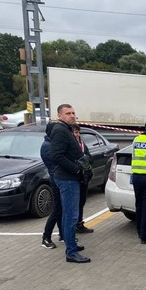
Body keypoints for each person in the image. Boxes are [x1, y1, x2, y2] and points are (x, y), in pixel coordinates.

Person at [50, 104, 90, 263]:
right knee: (71, 216)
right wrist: (76, 169)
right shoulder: (60, 131)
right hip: (67, 179)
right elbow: (56, 156)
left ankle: (71, 244)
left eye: (73, 112)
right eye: (68, 113)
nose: (72, 115)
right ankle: (71, 252)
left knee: (70, 215)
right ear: (59, 115)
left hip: (69, 178)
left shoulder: (66, 129)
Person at [41, 122, 62, 249]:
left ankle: (63, 234)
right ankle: (46, 237)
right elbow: (56, 162)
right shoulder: (48, 146)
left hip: (57, 178)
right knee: (56, 209)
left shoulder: (51, 143)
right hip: (56, 179)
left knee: (61, 208)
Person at [72, 124, 94, 234]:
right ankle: (73, 225)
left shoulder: (82, 144)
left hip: (84, 177)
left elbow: (90, 158)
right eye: (75, 132)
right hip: (75, 178)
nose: (78, 134)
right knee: (74, 203)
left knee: (82, 201)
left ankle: (79, 223)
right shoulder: (70, 145)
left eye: (78, 132)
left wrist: (85, 159)